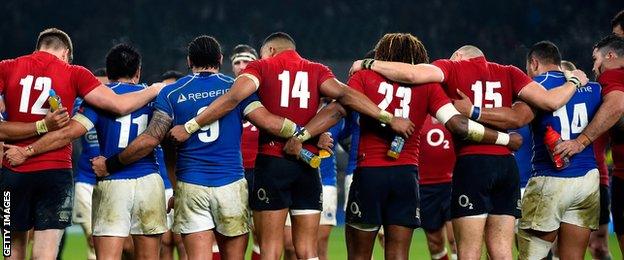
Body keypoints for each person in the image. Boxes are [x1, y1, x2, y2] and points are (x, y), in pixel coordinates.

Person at [89, 35, 341, 260]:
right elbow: (265, 120)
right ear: (220, 59)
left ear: (189, 61)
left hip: (192, 184)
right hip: (230, 183)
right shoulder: (237, 89)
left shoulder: (172, 92)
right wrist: (305, 135)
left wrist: (174, 187)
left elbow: (156, 139)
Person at [167, 32, 415, 260]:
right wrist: (388, 118)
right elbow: (344, 97)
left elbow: (234, 98)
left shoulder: (261, 67)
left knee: (271, 249)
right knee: (308, 249)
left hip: (273, 162)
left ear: (271, 50)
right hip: (307, 166)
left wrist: (190, 126)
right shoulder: (317, 70)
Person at [349, 43, 588, 259]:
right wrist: (575, 81)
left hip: (472, 164)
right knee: (502, 251)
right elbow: (548, 103)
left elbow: (412, 74)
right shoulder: (510, 72)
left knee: (469, 252)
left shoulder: (452, 68)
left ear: (459, 56)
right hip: (507, 166)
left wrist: (368, 63)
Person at [345, 33, 521, 260]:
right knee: (399, 255)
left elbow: (344, 100)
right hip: (406, 178)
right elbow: (459, 124)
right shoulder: (428, 87)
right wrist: (505, 139)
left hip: (370, 172)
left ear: (383, 55)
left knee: (359, 256)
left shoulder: (364, 77)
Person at [0, 28, 163, 260]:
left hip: (13, 171)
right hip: (54, 172)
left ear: (38, 47)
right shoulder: (74, 73)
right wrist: (154, 90)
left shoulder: (6, 67)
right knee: (44, 254)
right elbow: (119, 105)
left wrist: (29, 137)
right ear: (65, 53)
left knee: (11, 250)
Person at [515, 41, 602, 259]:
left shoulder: (532, 86)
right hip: (587, 181)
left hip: (550, 179)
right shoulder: (592, 88)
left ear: (534, 63)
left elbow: (516, 118)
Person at [554, 35, 624, 254]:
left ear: (611, 56)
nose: (595, 67)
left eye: (596, 59)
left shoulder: (613, 76)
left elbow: (616, 105)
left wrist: (579, 141)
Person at [71, 67, 107, 260]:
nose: (100, 89)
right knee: (92, 238)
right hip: (85, 179)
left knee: (113, 238)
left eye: (105, 85)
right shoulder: (79, 105)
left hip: (112, 178)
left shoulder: (118, 105)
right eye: (96, 85)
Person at [231, 44, 261, 260]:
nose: (242, 66)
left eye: (247, 61)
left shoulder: (268, 93)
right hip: (234, 172)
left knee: (261, 235)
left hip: (261, 170)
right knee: (232, 234)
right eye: (237, 62)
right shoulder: (225, 95)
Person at [417, 115, 458, 260]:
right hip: (424, 187)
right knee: (434, 242)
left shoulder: (451, 109)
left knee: (455, 239)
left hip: (453, 183)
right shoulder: (417, 110)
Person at [157, 70, 188, 260]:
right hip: (158, 185)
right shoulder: (157, 119)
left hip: (180, 185)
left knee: (182, 241)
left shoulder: (184, 124)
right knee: (164, 242)